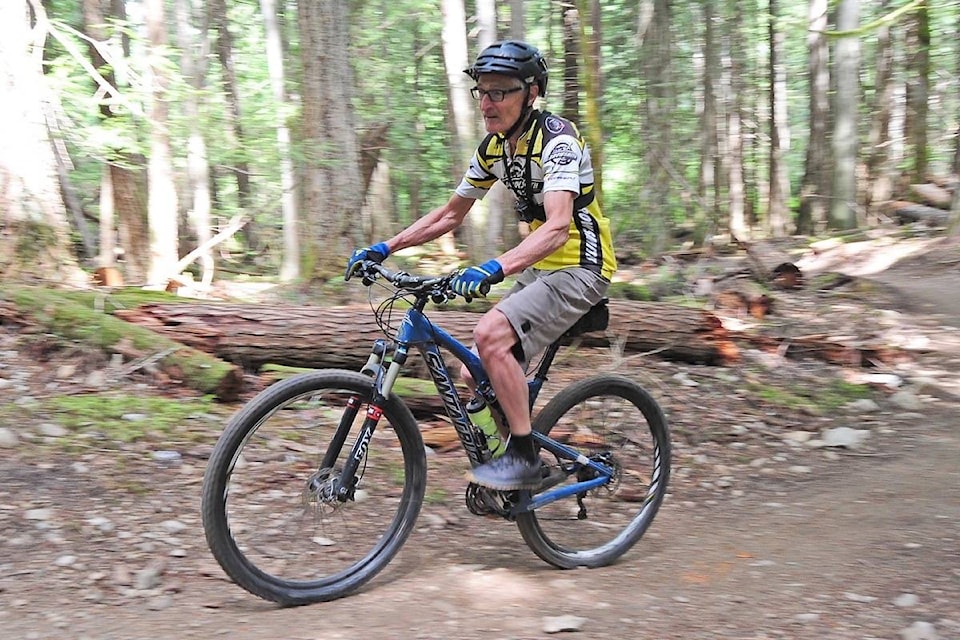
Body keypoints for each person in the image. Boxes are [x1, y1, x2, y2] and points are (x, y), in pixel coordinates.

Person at [346, 40, 616, 491]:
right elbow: (451, 214)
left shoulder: (559, 141)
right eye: (482, 92)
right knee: (475, 372)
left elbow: (557, 228)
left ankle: (524, 458)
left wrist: (493, 269)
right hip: (542, 266)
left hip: (582, 266)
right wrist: (384, 247)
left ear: (531, 94)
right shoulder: (495, 147)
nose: (487, 103)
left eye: (500, 92)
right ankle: (512, 467)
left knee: (489, 334)